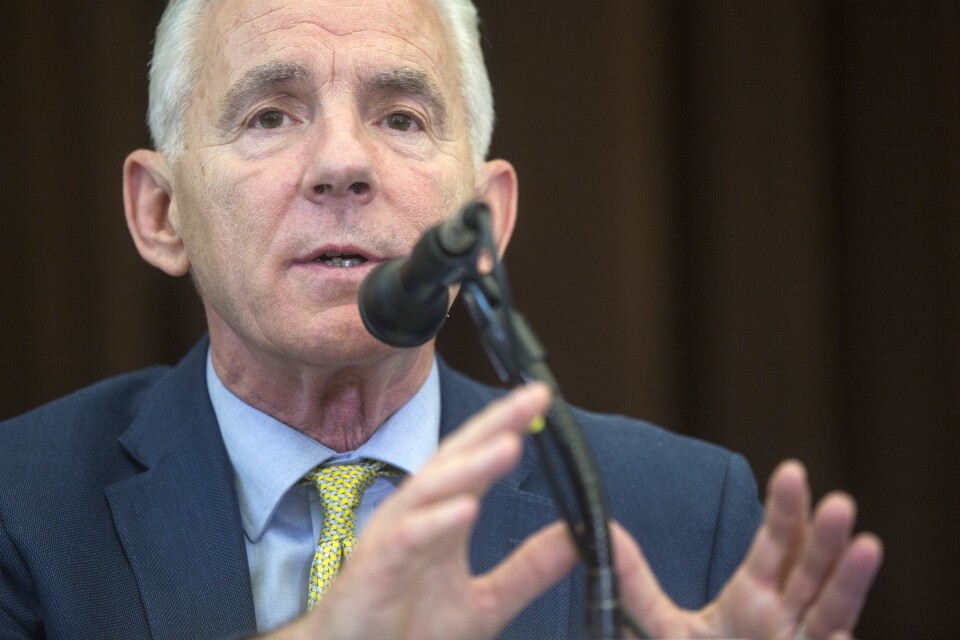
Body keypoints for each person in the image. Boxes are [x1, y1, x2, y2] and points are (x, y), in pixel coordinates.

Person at [0, 0, 882, 638]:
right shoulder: (24, 508)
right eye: (270, 115)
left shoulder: (686, 514)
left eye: (402, 116)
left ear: (486, 223)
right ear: (161, 212)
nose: (342, 164)